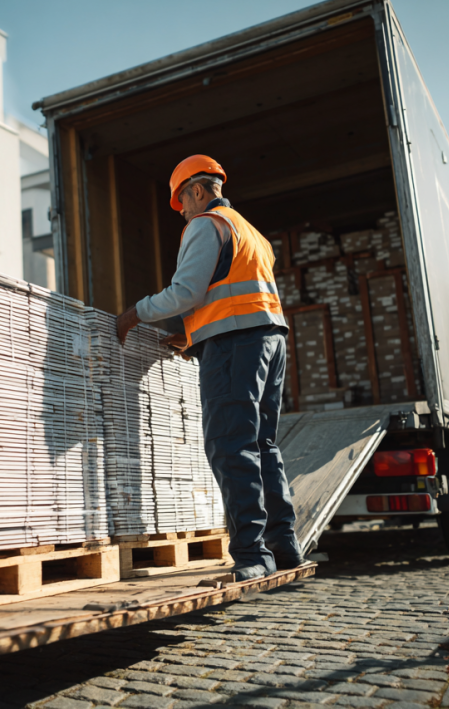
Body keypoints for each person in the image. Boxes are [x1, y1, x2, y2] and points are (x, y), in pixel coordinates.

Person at [116, 154, 304, 581]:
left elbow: (185, 291)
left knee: (230, 445)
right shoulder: (249, 231)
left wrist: (135, 313)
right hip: (270, 340)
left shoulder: (205, 225)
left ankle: (252, 555)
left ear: (197, 191)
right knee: (262, 445)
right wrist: (192, 333)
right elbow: (231, 291)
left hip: (236, 346)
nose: (182, 212)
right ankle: (283, 545)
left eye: (182, 201)